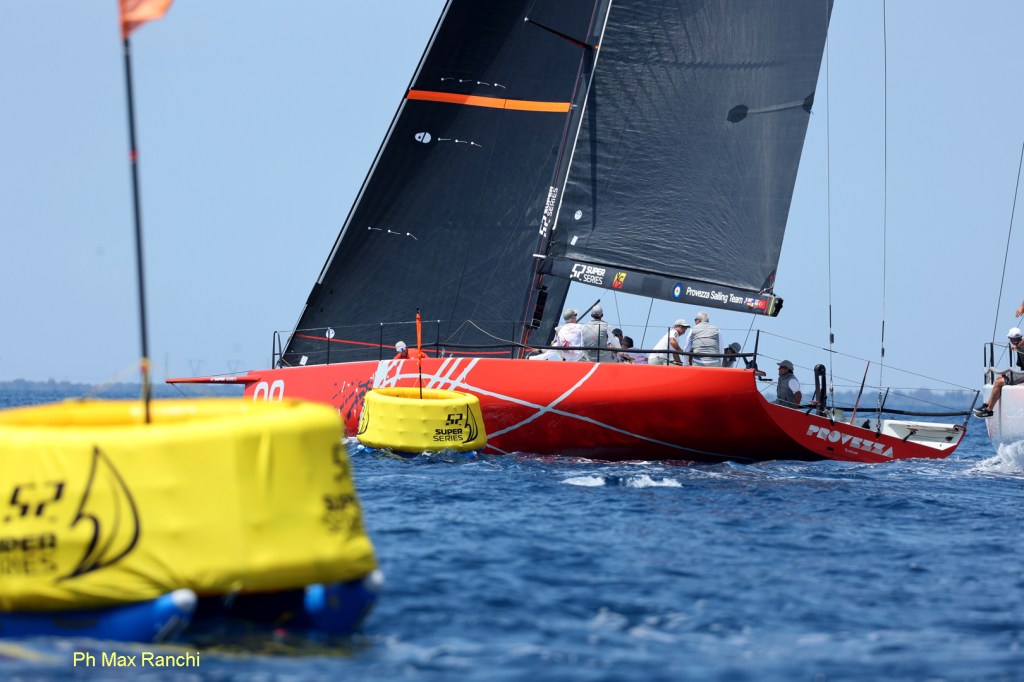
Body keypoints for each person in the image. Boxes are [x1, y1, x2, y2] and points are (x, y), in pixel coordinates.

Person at [974, 327, 1024, 418]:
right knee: (999, 378)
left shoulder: (1020, 345)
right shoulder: (1018, 347)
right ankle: (987, 405)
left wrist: (1018, 346)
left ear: (1010, 338)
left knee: (998, 382)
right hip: (1022, 373)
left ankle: (989, 410)